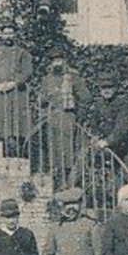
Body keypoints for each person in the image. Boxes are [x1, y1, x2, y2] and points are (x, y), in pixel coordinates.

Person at [36, 53, 91, 187]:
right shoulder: (46, 79)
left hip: (67, 117)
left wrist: (77, 113)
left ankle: (66, 182)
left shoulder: (73, 78)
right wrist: (45, 97)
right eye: (54, 60)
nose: (57, 63)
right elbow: (41, 100)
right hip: (51, 117)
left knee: (66, 150)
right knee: (53, 150)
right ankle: (54, 180)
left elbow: (86, 97)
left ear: (64, 61)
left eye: (59, 60)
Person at [0, 19, 33, 156]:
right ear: (1, 35)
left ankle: (17, 153)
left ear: (16, 34)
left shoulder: (23, 53)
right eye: (5, 34)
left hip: (16, 94)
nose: (8, 36)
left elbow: (27, 72)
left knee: (16, 125)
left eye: (11, 33)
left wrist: (14, 83)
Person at [91, 80, 128, 160]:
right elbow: (94, 122)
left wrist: (107, 142)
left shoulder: (122, 104)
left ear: (115, 88)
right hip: (102, 143)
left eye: (109, 87)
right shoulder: (99, 104)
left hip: (120, 144)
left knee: (127, 164)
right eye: (103, 88)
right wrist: (95, 136)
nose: (106, 90)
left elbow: (121, 128)